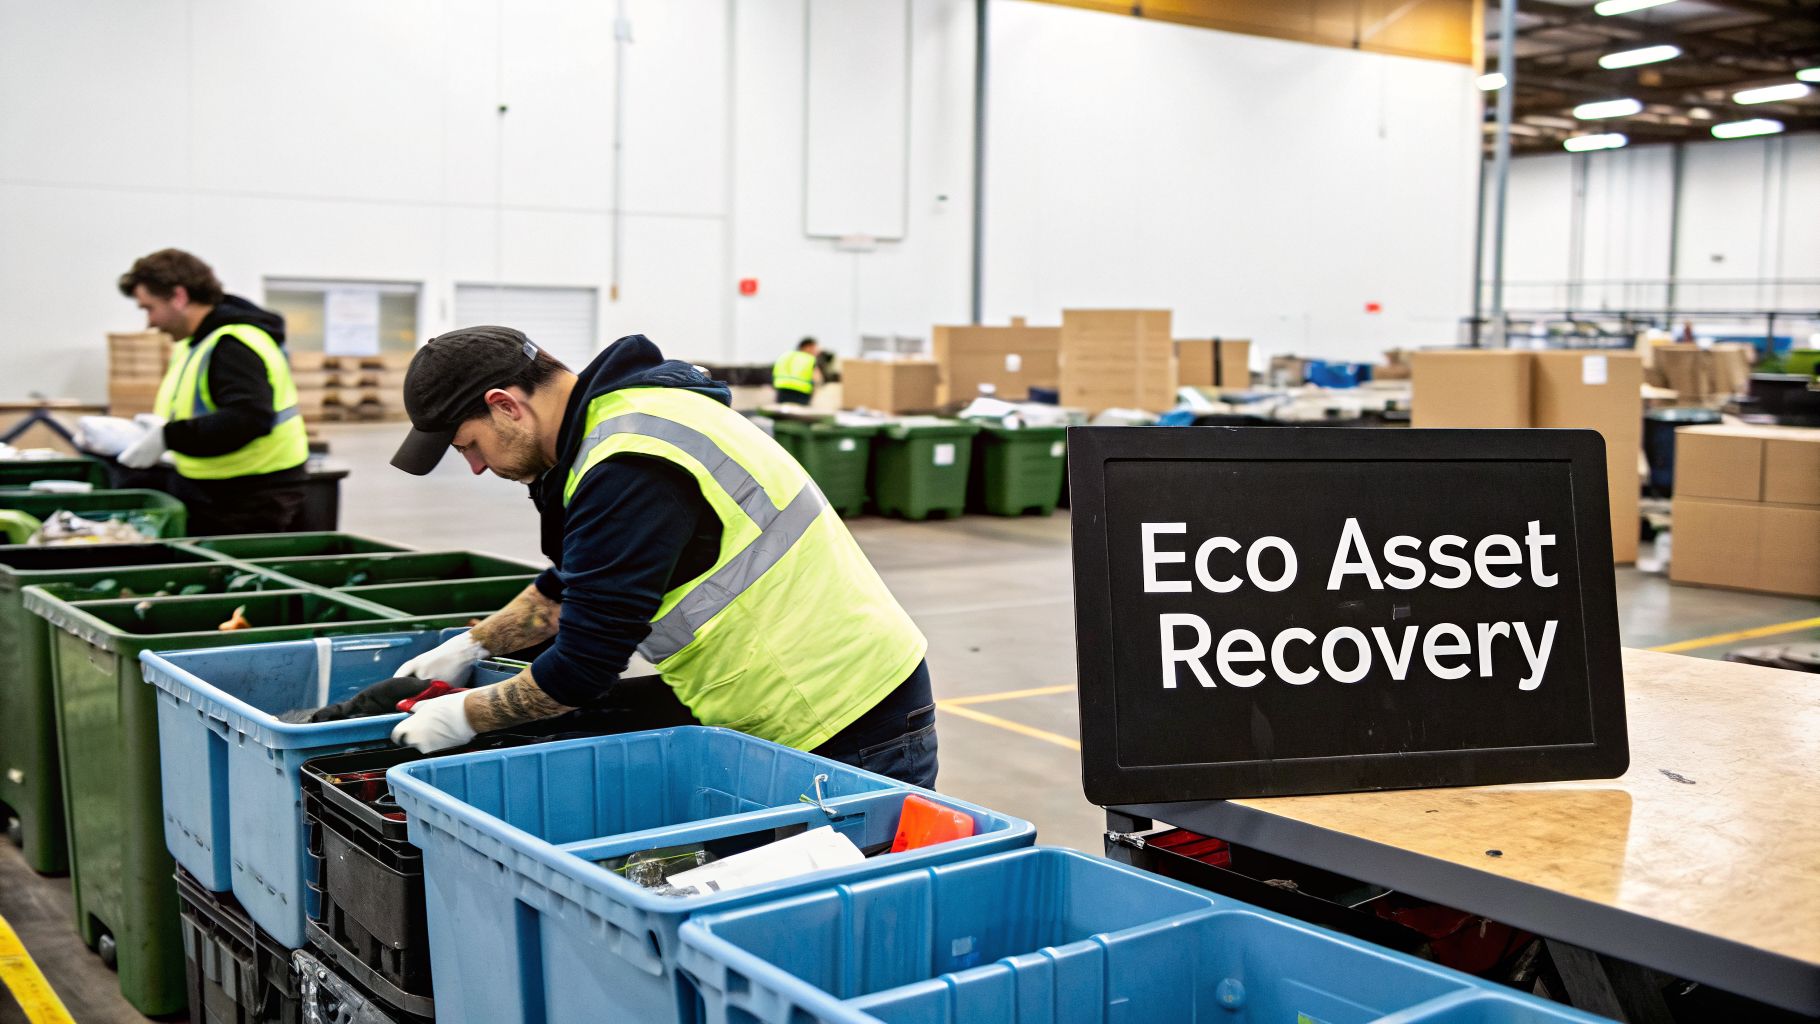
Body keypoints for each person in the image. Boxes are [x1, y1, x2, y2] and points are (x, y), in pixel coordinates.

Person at [385, 327, 938, 787]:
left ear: (505, 406)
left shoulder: (627, 465)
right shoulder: (631, 416)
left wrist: (465, 716)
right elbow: (573, 583)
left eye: (468, 446)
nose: (476, 467)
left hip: (845, 720)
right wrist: (473, 644)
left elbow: (580, 671)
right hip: (812, 699)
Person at [115, 249, 309, 534]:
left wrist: (169, 436)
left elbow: (249, 417)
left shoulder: (232, 344)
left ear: (179, 297)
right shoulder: (195, 343)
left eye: (149, 307)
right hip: (215, 488)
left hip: (250, 498)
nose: (150, 322)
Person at [771, 337, 821, 405]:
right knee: (798, 414)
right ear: (808, 347)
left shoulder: (785, 355)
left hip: (782, 391)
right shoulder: (809, 359)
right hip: (801, 393)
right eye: (815, 348)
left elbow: (774, 372)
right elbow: (818, 379)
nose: (817, 352)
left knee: (782, 413)